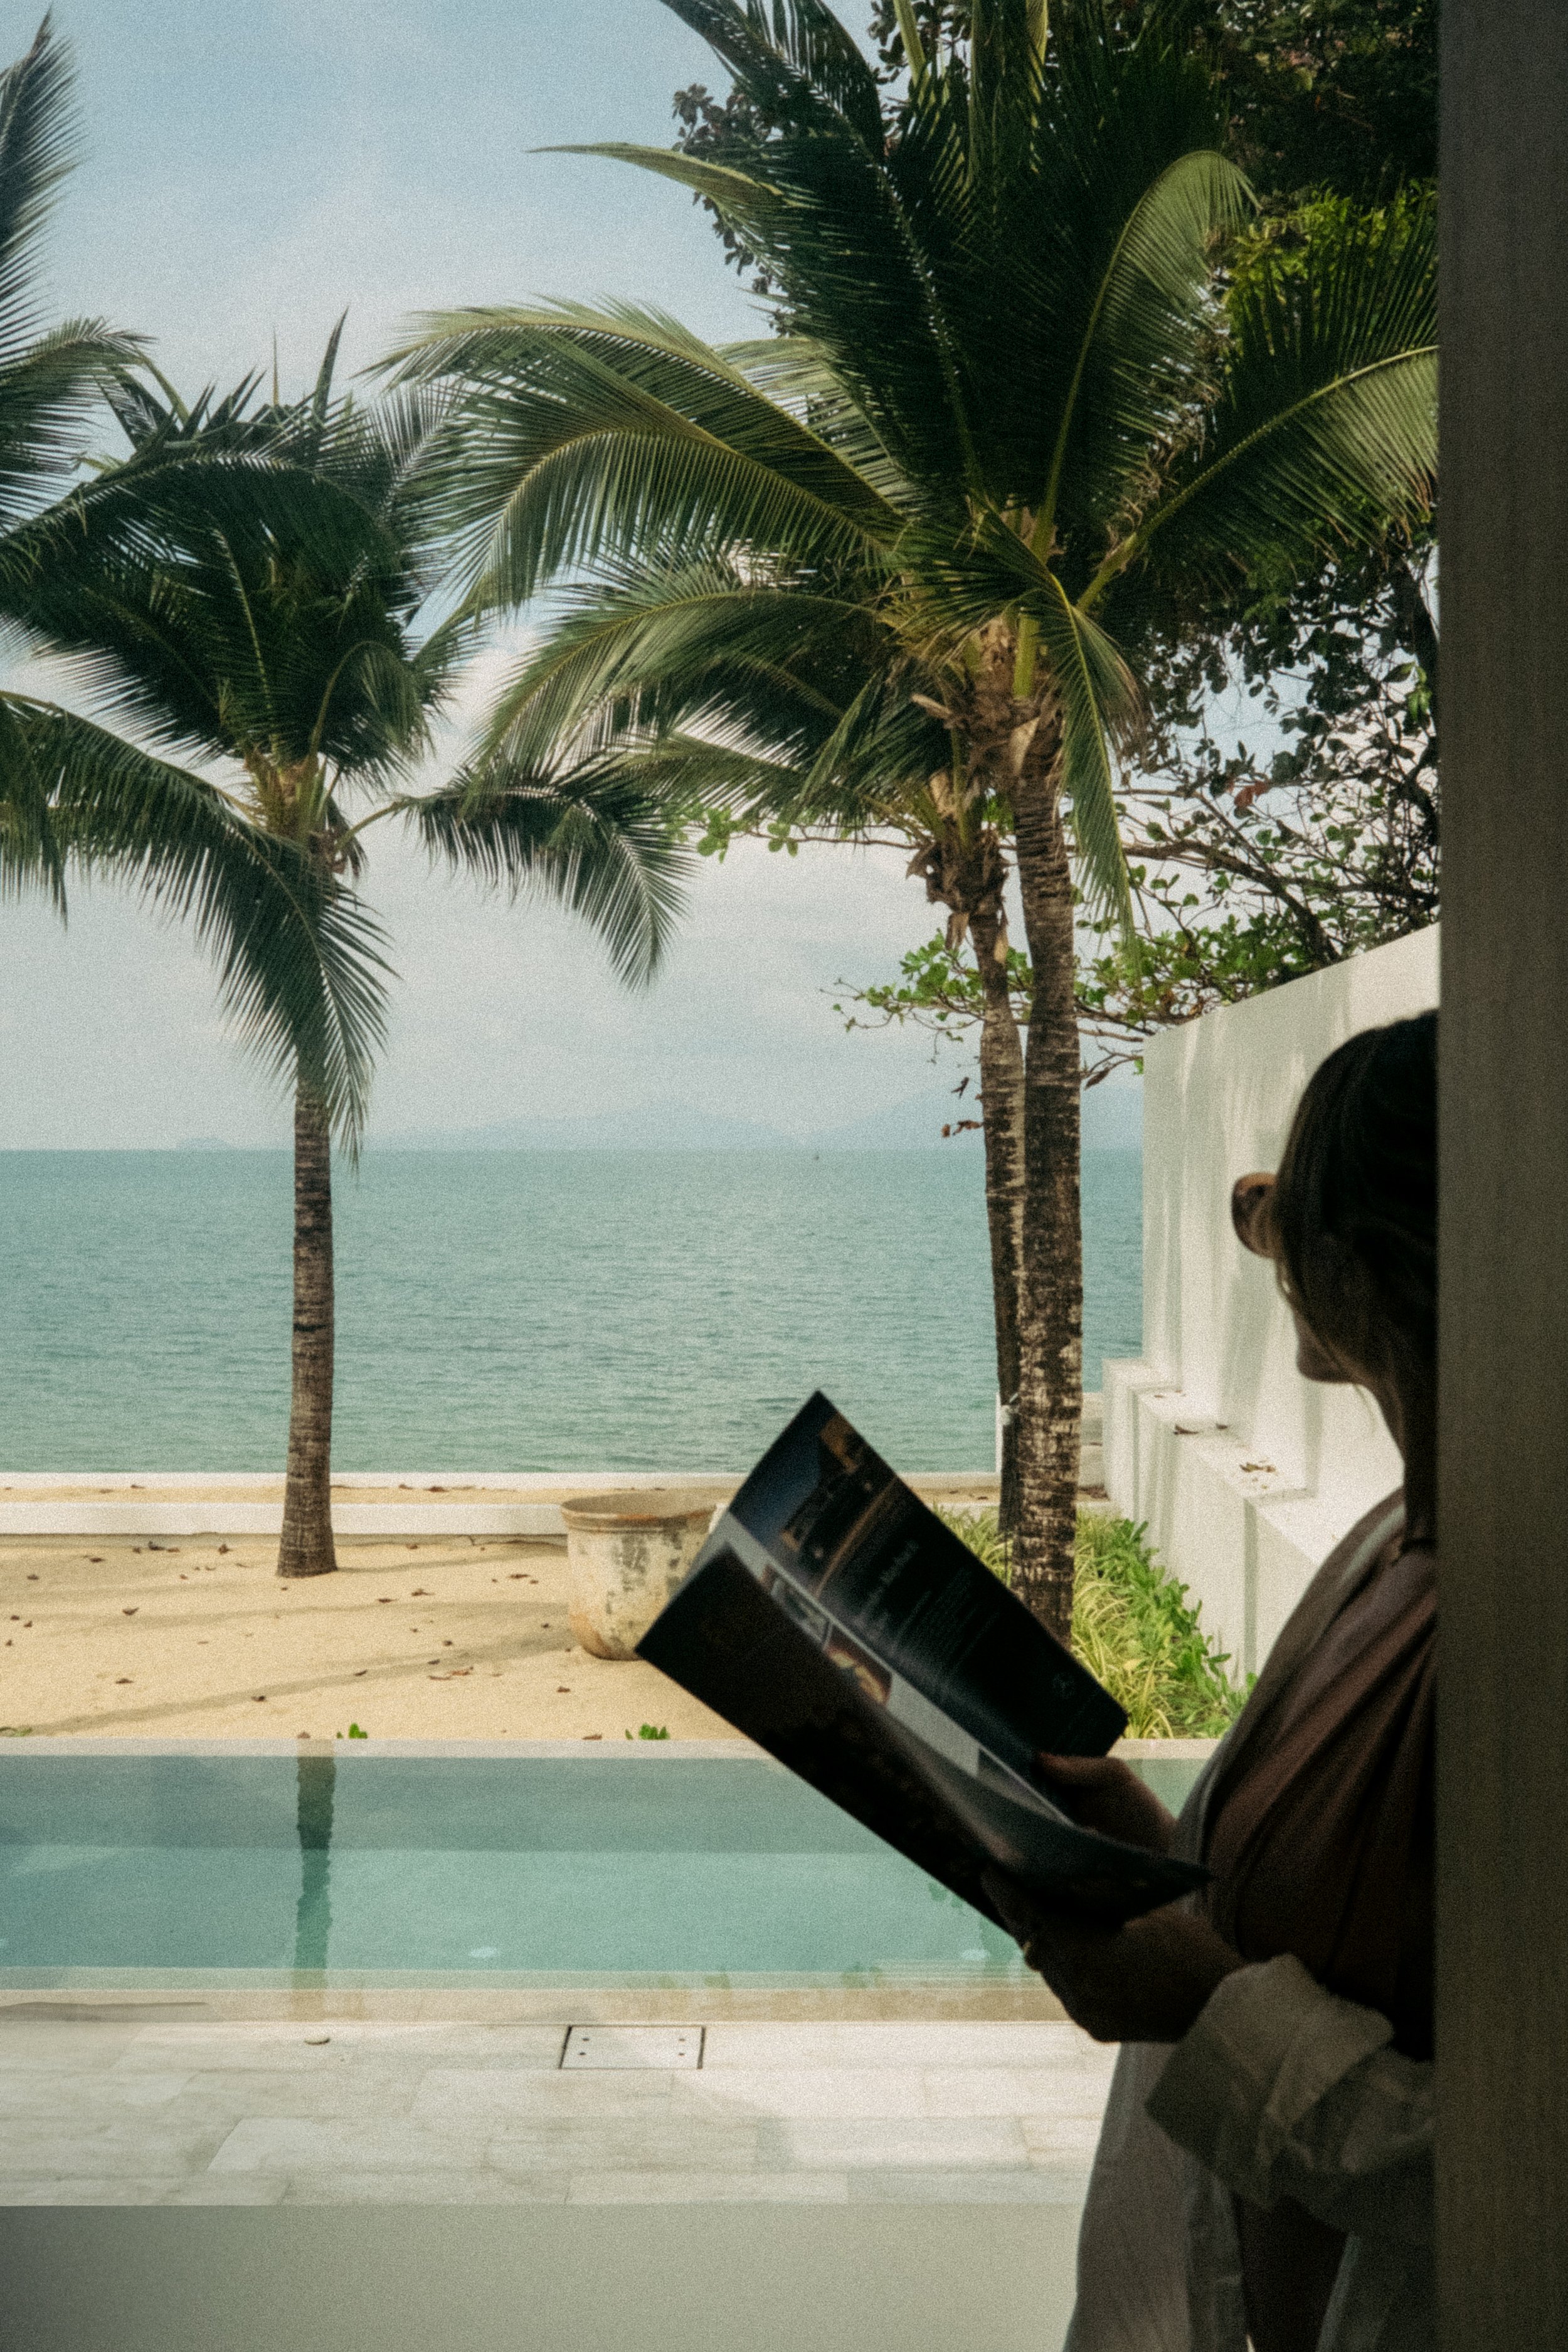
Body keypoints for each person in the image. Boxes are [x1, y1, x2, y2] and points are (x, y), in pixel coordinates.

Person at [985, 1012, 1437, 2352]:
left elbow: (1516, 2175)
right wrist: (1165, 1852)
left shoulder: (1508, 1616)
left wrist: (1198, 2001)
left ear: (1347, 1268)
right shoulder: (1386, 1548)